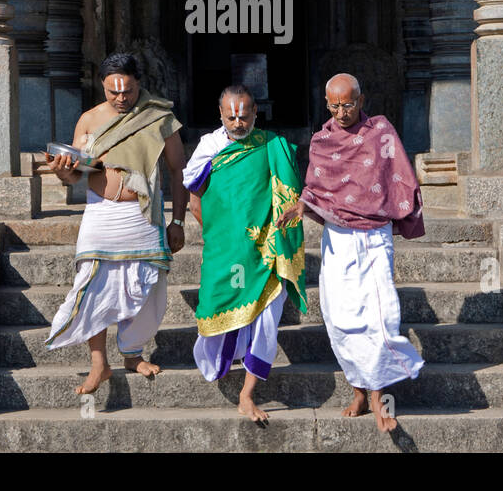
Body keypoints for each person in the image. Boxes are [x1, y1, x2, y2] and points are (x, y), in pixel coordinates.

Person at [276, 72, 425, 433]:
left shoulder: (380, 132)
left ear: (361, 101)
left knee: (379, 315)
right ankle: (357, 387)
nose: (342, 112)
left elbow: (400, 175)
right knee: (339, 316)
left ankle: (379, 397)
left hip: (373, 236)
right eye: (335, 105)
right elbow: (316, 189)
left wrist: (400, 210)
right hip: (338, 239)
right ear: (327, 104)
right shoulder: (321, 141)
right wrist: (301, 206)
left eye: (348, 104)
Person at [45, 52, 188, 395]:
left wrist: (178, 220)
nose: (121, 98)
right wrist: (63, 170)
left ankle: (132, 353)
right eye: (113, 92)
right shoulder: (89, 120)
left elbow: (178, 169)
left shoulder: (157, 117)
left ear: (139, 84)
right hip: (102, 213)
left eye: (129, 91)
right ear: (103, 86)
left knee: (148, 287)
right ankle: (99, 363)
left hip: (142, 215)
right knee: (91, 285)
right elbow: (73, 175)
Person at [184, 85, 307, 423]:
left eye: (244, 115)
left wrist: (282, 227)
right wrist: (220, 235)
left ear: (256, 113)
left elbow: (289, 194)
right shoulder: (209, 147)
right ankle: (223, 360)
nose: (238, 123)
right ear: (220, 114)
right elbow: (196, 200)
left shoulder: (272, 145)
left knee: (267, 318)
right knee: (217, 304)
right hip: (224, 249)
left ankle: (247, 394)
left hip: (266, 250)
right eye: (230, 116)